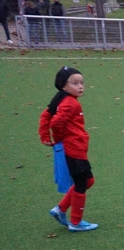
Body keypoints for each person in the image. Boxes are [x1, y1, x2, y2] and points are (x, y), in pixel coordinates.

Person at [38, 66, 99, 232]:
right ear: (63, 86)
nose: (80, 86)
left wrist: (45, 136)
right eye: (75, 83)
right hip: (73, 150)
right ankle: (76, 222)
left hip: (75, 148)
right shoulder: (70, 103)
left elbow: (46, 116)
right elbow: (56, 122)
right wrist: (58, 139)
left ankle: (60, 209)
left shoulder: (61, 98)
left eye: (81, 83)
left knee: (88, 181)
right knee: (82, 183)